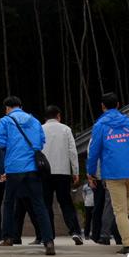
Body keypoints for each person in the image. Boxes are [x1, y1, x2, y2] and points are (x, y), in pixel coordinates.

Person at [86, 93, 129, 254]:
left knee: (119, 209)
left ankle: (128, 243)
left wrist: (90, 172)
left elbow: (94, 151)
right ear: (119, 104)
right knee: (127, 197)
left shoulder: (100, 125)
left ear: (102, 106)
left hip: (114, 172)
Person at [0, 96, 55, 255]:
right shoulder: (34, 121)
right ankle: (48, 241)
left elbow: (1, 143)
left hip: (14, 168)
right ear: (20, 106)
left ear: (8, 108)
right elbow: (41, 142)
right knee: (39, 204)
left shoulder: (5, 121)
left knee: (8, 203)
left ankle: (8, 238)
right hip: (32, 167)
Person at [41, 105, 83, 245]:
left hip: (44, 172)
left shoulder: (40, 129)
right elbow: (72, 151)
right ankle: (75, 231)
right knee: (66, 203)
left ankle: (48, 235)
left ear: (45, 117)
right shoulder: (66, 129)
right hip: (63, 172)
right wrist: (75, 171)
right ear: (58, 115)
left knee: (45, 204)